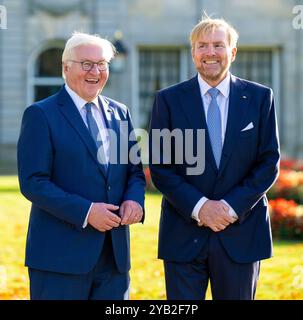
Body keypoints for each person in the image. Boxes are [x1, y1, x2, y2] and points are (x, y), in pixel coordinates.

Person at [149, 16, 280, 300]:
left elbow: (268, 162)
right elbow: (161, 167)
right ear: (193, 52)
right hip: (184, 234)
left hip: (241, 233)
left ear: (232, 52)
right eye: (202, 45)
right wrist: (200, 207)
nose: (210, 52)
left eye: (218, 45)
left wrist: (230, 208)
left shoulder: (259, 98)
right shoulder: (168, 100)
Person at [17, 32, 145, 300]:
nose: (95, 71)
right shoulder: (41, 114)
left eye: (102, 64)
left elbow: (134, 170)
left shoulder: (120, 112)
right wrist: (87, 212)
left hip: (114, 259)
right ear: (65, 68)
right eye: (86, 63)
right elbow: (33, 182)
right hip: (59, 259)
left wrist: (134, 200)